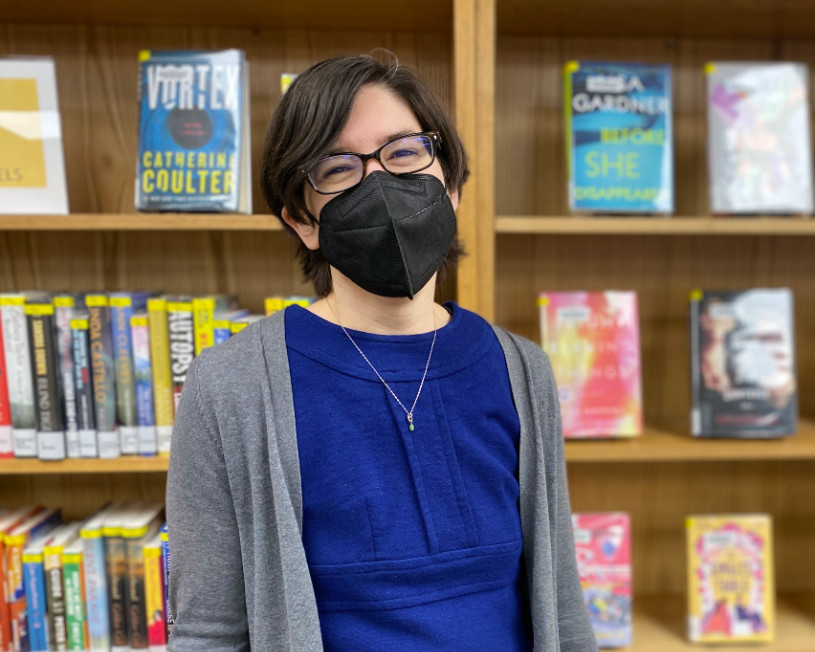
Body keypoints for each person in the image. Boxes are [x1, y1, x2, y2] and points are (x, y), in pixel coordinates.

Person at [166, 54, 598, 651]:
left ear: (449, 184)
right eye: (339, 168)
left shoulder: (522, 369)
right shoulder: (230, 385)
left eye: (403, 152)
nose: (380, 183)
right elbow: (207, 633)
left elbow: (561, 603)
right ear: (302, 219)